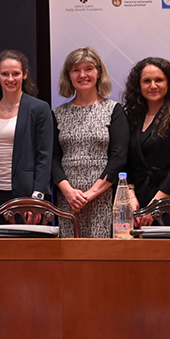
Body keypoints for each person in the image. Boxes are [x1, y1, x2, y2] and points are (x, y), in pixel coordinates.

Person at [52, 47, 128, 238]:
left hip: (103, 197)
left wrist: (91, 194)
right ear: (68, 75)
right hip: (68, 200)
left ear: (99, 72)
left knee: (101, 259)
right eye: (76, 70)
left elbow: (119, 157)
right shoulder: (57, 113)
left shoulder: (114, 110)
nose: (83, 75)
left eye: (89, 69)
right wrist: (69, 192)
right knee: (69, 259)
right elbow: (52, 158)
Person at [121, 57, 170, 225]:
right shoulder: (132, 117)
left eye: (159, 80)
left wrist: (156, 206)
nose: (153, 85)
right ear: (138, 85)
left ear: (169, 83)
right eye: (147, 81)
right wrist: (131, 197)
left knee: (169, 251)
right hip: (137, 202)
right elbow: (127, 162)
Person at [0, 50, 53, 219]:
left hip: (27, 198)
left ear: (25, 74)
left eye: (16, 74)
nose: (10, 79)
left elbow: (45, 156)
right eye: (5, 74)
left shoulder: (39, 109)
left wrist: (37, 199)